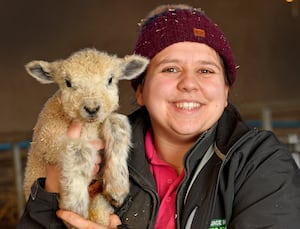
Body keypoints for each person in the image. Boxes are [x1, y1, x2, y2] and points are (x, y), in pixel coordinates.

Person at [17, 4, 300, 229]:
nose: (189, 83)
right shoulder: (103, 154)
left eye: (206, 70)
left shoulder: (259, 163)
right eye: (170, 69)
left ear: (225, 90)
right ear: (139, 90)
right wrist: (50, 191)